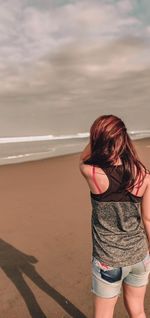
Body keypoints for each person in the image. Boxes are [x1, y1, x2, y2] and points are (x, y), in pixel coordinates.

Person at [79, 114, 150, 318]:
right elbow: (148, 219)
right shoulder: (144, 176)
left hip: (108, 260)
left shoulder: (92, 173)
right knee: (138, 311)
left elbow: (83, 158)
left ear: (99, 140)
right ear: (124, 138)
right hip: (139, 257)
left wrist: (99, 139)